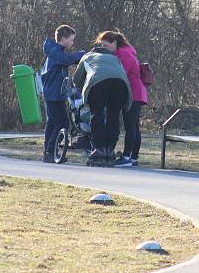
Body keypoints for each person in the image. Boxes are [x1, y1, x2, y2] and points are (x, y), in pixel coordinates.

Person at [72, 43, 131, 166]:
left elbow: (76, 79)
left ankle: (99, 149)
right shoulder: (115, 58)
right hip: (121, 84)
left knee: (97, 114)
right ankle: (109, 150)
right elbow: (120, 73)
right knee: (113, 115)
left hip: (97, 82)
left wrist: (81, 87)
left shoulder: (88, 56)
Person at [96, 30, 148, 167]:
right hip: (136, 92)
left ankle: (126, 157)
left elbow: (119, 74)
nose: (104, 48)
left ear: (114, 43)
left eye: (106, 46)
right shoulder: (124, 52)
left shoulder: (124, 54)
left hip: (134, 93)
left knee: (130, 126)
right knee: (134, 127)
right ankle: (133, 157)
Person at [40, 25, 85, 163]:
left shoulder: (56, 52)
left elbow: (69, 60)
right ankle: (51, 151)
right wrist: (82, 54)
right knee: (63, 123)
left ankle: (48, 153)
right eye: (71, 39)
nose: (72, 43)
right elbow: (67, 60)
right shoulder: (55, 52)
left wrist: (80, 58)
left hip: (54, 94)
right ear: (63, 38)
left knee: (52, 124)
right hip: (54, 95)